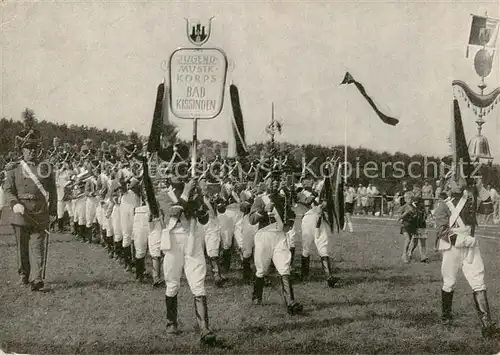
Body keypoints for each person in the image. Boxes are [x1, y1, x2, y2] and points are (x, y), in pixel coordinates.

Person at [434, 177, 499, 338]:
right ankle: (446, 317)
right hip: (453, 248)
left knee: (478, 281)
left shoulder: (470, 199)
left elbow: (488, 209)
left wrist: (481, 188)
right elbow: (442, 232)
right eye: (454, 179)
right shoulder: (443, 205)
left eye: (460, 178)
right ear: (448, 184)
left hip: (471, 247)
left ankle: (486, 326)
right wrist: (464, 240)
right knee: (449, 282)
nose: (458, 181)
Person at [3, 129, 57, 291]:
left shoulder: (45, 167)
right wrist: (14, 204)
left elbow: (53, 191)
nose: (32, 151)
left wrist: (53, 211)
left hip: (39, 213)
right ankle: (24, 273)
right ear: (22, 150)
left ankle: (37, 278)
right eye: (29, 148)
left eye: (35, 148)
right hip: (21, 213)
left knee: (37, 245)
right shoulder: (14, 168)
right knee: (22, 247)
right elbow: (8, 190)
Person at [249, 177, 303, 315]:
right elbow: (251, 219)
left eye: (276, 181)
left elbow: (291, 215)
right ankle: (257, 296)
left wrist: (288, 225)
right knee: (261, 269)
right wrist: (262, 211)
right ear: (265, 183)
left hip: (279, 236)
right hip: (264, 235)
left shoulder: (283, 199)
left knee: (285, 268)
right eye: (271, 181)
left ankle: (290, 302)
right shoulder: (260, 199)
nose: (274, 183)